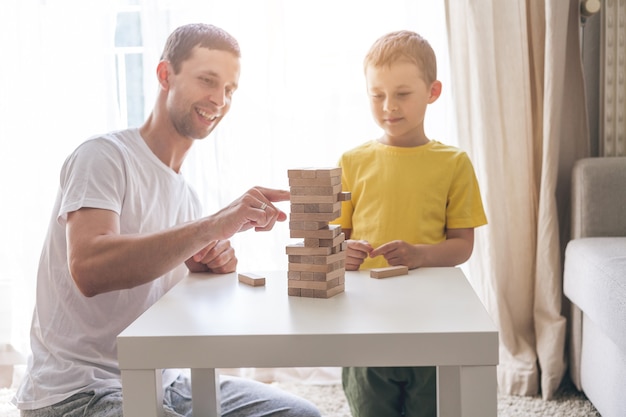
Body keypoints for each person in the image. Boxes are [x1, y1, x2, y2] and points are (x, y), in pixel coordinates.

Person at [13, 23, 320, 417]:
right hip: (79, 391)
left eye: (230, 89)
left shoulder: (186, 195)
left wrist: (209, 264)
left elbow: (171, 295)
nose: (219, 99)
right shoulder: (104, 157)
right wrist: (211, 226)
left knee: (301, 414)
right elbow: (88, 268)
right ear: (164, 75)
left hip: (166, 380)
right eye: (207, 80)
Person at [334, 30, 487, 417]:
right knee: (370, 405)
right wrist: (341, 253)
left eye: (402, 94)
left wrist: (419, 255)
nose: (389, 106)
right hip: (365, 319)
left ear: (432, 92)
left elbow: (462, 245)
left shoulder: (454, 163)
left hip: (431, 317)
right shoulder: (351, 161)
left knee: (429, 404)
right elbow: (334, 237)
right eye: (377, 94)